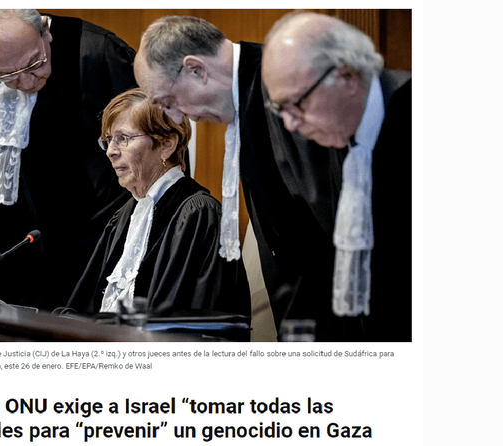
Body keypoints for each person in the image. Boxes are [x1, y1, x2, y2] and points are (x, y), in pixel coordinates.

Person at [134, 16, 345, 339]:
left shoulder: (291, 88)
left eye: (169, 102)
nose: (177, 117)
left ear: (196, 70)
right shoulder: (250, 95)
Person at [0, 9, 137, 310]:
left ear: (45, 31)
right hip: (6, 257)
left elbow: (147, 153)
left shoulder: (96, 53)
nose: (26, 81)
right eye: (7, 75)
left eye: (34, 63)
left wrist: (110, 233)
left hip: (93, 247)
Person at [260, 12, 412, 341]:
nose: (289, 124)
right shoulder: (339, 133)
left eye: (297, 103)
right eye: (279, 109)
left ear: (346, 75)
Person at [67, 89, 250, 316]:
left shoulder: (199, 216)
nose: (111, 152)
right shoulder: (125, 217)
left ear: (166, 144)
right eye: (108, 140)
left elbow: (189, 320)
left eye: (123, 138)